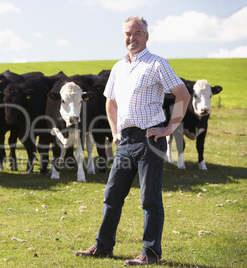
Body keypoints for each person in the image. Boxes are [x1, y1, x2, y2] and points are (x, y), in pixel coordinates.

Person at [74, 16, 191, 266]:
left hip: (151, 139)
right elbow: (110, 102)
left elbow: (182, 94)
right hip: (125, 141)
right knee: (112, 195)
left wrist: (169, 127)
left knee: (149, 198)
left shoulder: (158, 64)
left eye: (137, 33)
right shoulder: (118, 68)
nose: (132, 38)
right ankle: (103, 247)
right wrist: (115, 131)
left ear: (146, 36)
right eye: (128, 33)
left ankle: (150, 253)